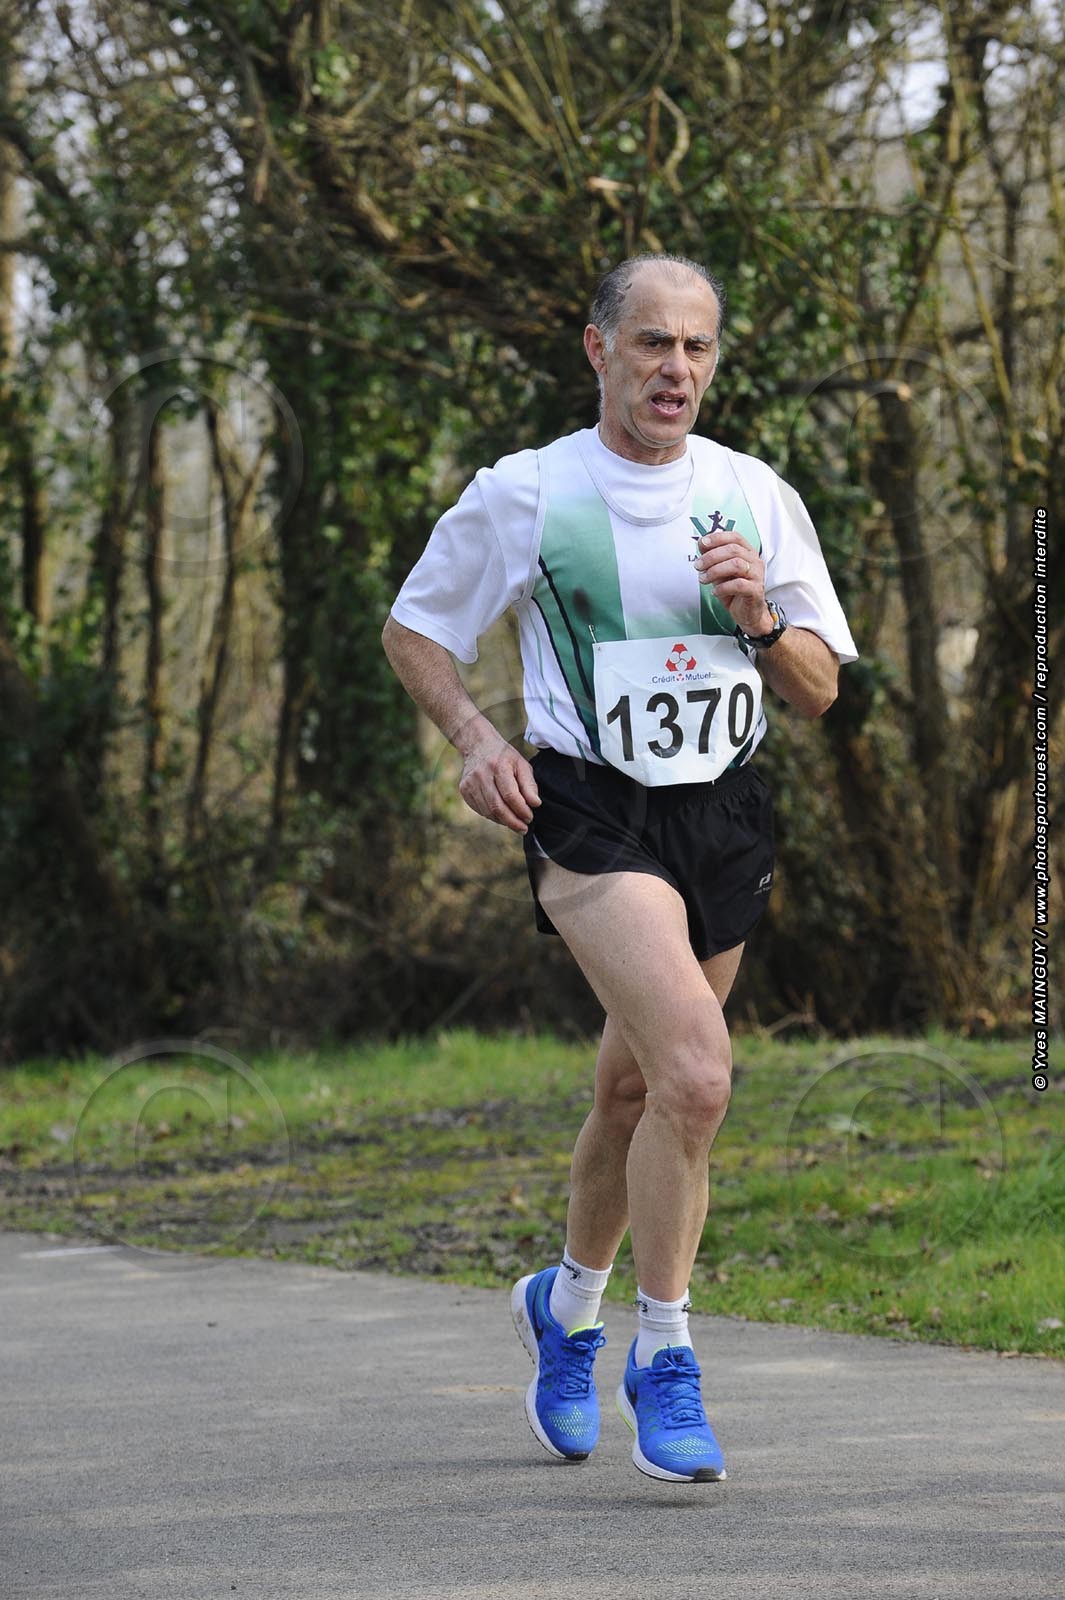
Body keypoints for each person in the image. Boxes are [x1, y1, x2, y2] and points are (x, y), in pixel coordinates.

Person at [382, 253, 858, 1484]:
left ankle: (565, 1308)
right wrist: (476, 737)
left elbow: (818, 689)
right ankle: (666, 1354)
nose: (677, 369)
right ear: (600, 349)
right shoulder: (529, 491)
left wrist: (760, 617)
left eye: (698, 346)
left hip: (724, 815)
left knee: (637, 1090)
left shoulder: (754, 492)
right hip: (592, 810)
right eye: (653, 342)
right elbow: (415, 627)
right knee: (696, 1072)